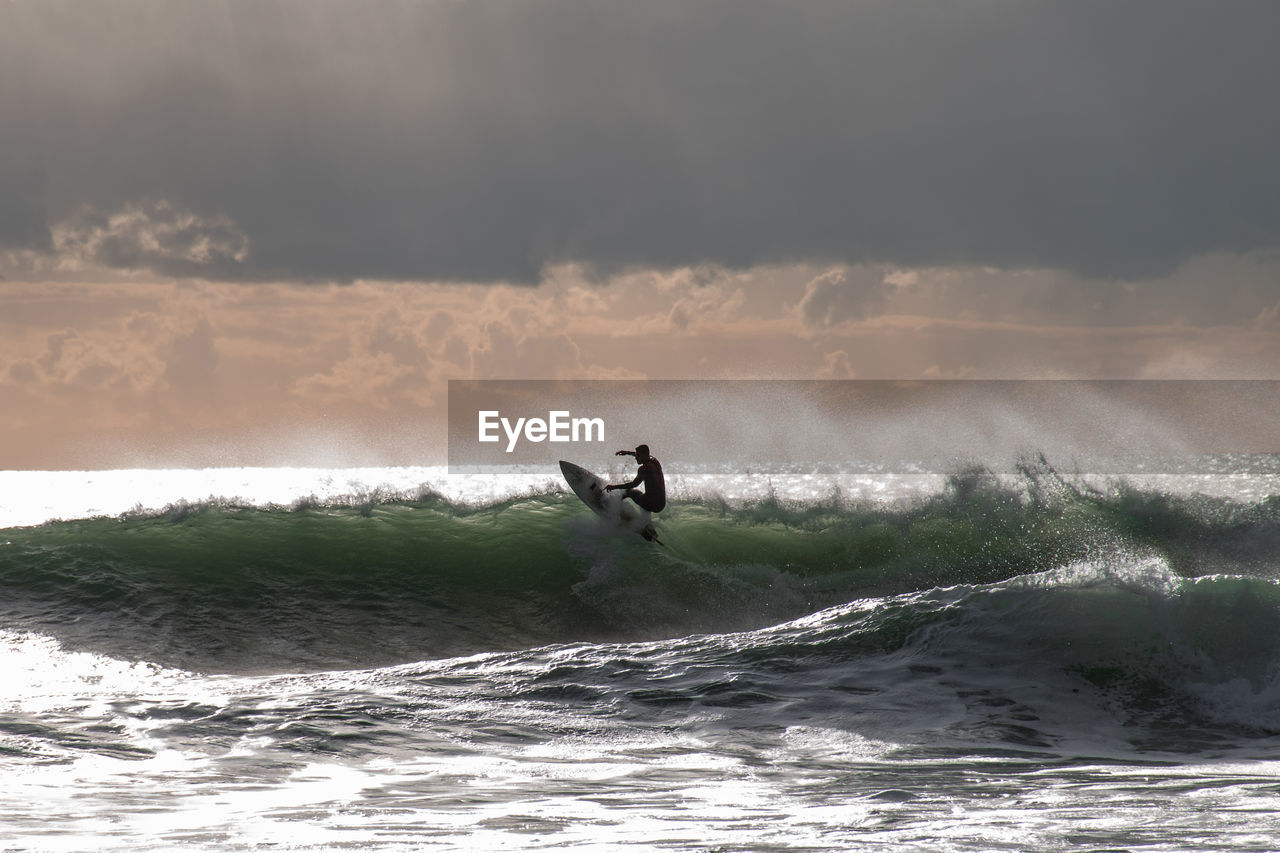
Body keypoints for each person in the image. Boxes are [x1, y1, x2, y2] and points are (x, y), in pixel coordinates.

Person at [606, 444, 666, 513]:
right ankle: (644, 518)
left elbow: (633, 484)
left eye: (638, 456)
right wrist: (627, 453)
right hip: (661, 504)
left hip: (651, 504)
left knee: (628, 492)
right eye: (636, 455)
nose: (636, 458)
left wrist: (613, 487)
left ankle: (610, 506)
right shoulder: (654, 461)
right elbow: (642, 455)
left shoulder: (644, 468)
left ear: (644, 455)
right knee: (640, 494)